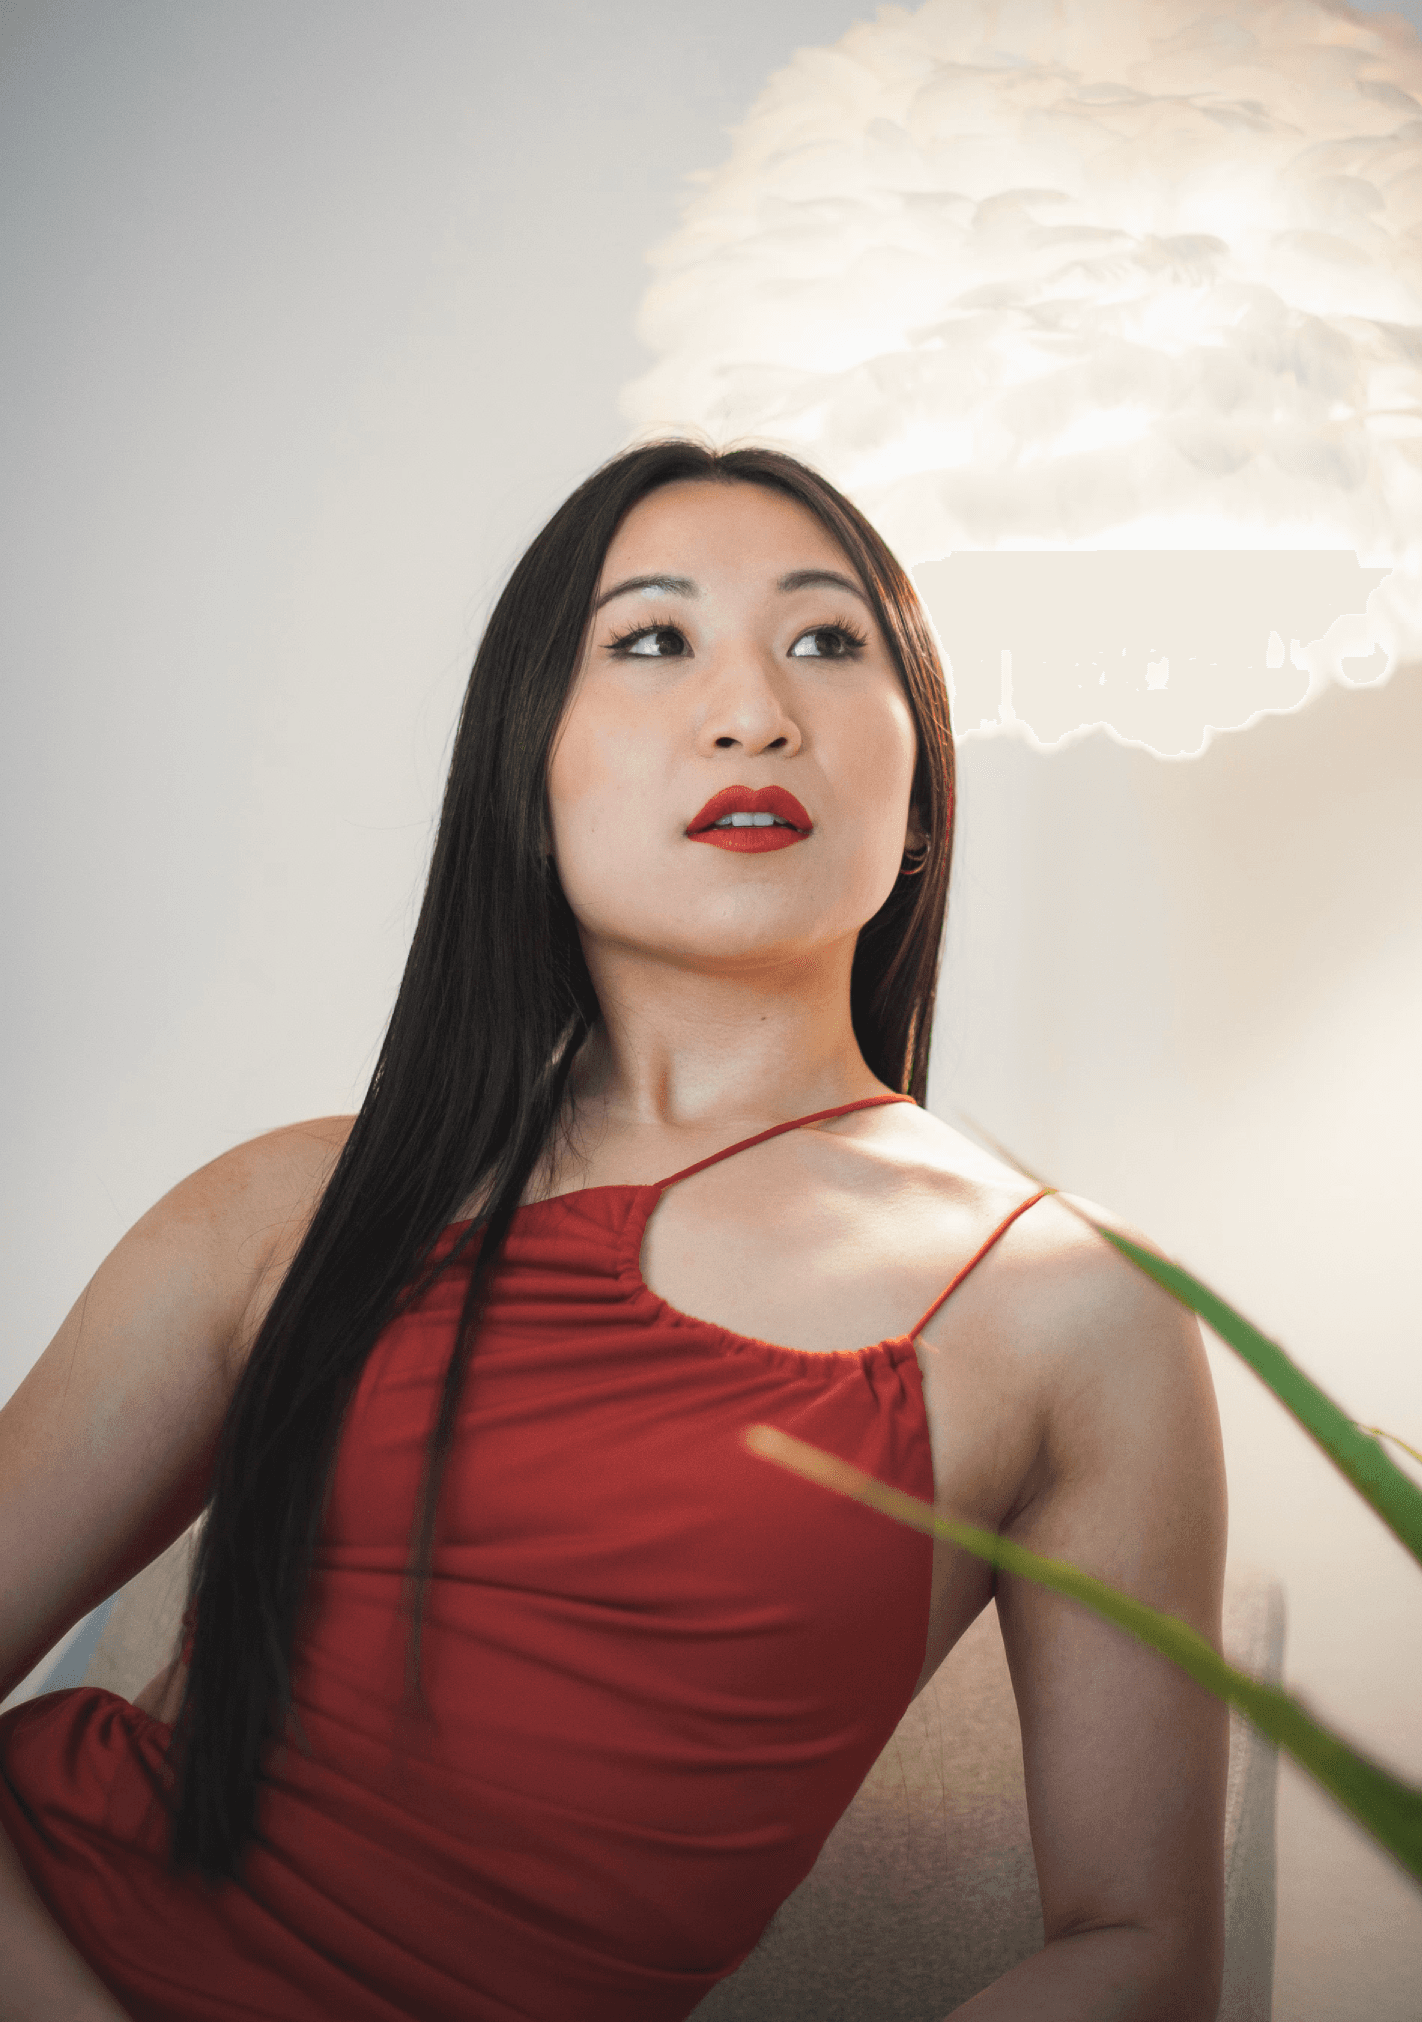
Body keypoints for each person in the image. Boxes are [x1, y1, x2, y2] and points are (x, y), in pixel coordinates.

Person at [0, 441, 1228, 2021]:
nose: (754, 710)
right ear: (528, 773)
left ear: (916, 786)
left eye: (828, 641)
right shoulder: (293, 1203)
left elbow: (1141, 1946)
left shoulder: (1075, 1311)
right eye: (653, 639)